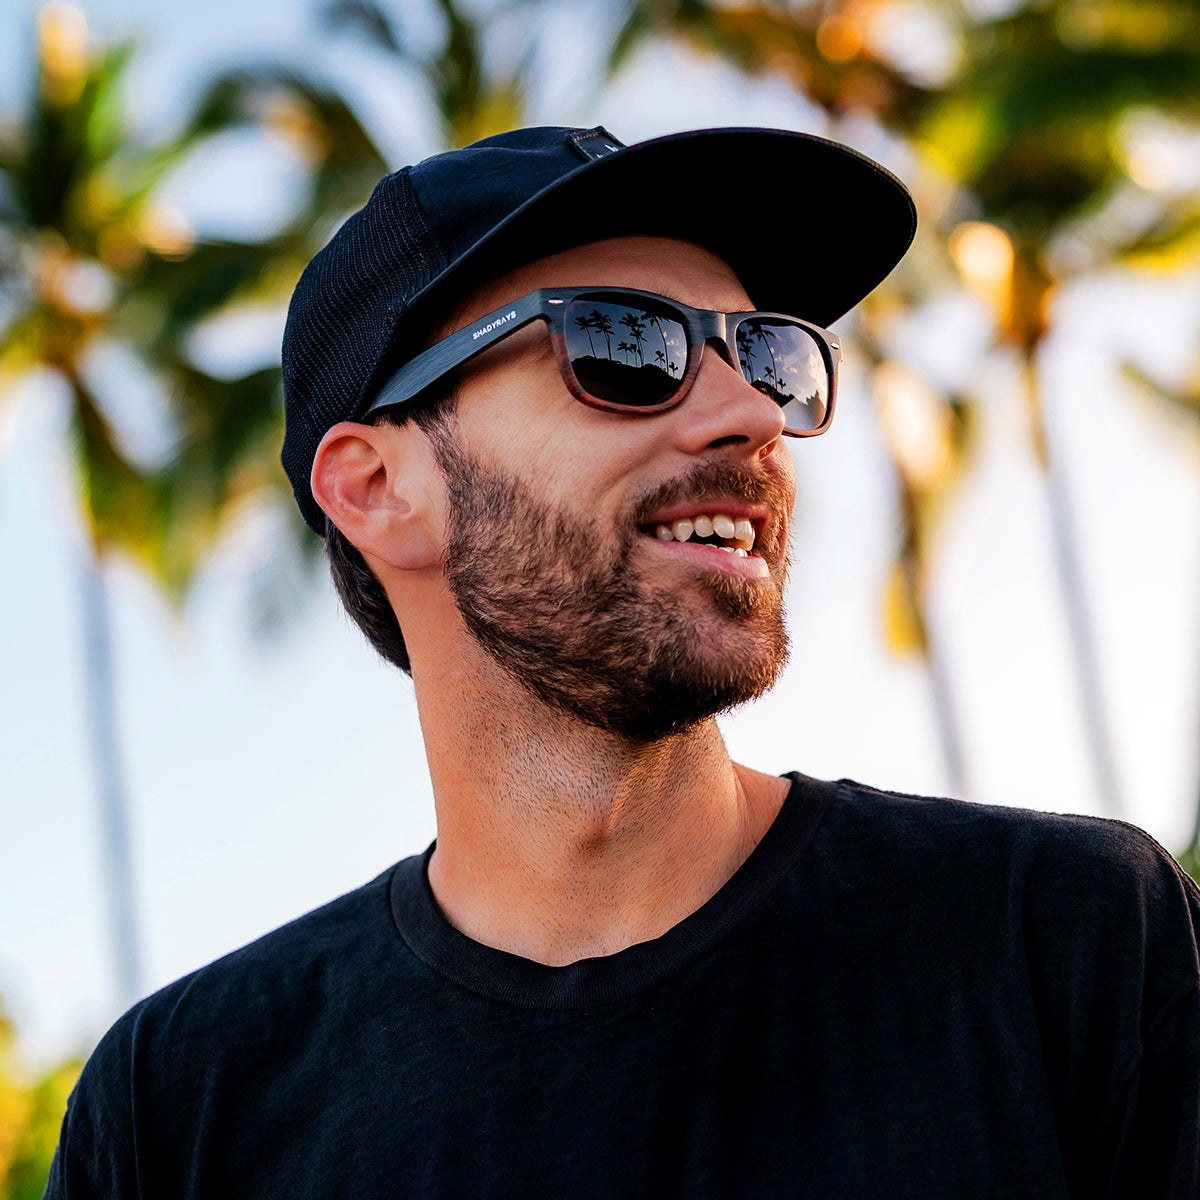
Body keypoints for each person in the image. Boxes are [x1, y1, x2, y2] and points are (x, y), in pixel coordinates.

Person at [46, 126, 1200, 1199]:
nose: (754, 414)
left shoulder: (1074, 942)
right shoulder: (179, 1108)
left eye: (769, 356)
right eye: (623, 343)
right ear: (379, 488)